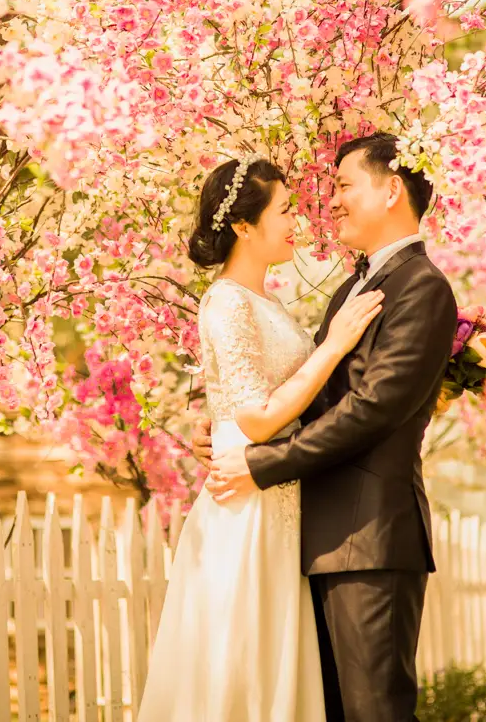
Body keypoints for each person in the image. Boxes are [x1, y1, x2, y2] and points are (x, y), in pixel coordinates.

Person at [200, 133, 458, 722]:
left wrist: (261, 464)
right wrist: (238, 440)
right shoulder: (353, 286)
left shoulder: (422, 288)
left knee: (375, 712)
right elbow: (317, 399)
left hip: (368, 538)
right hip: (318, 537)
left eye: (344, 185)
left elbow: (371, 409)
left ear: (392, 190)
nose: (331, 201)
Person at [137, 152, 384, 722]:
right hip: (244, 501)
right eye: (285, 210)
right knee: (239, 653)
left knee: (272, 648)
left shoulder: (266, 301)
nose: (298, 220)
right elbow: (255, 416)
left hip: (275, 490)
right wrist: (334, 345)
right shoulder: (225, 301)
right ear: (245, 226)